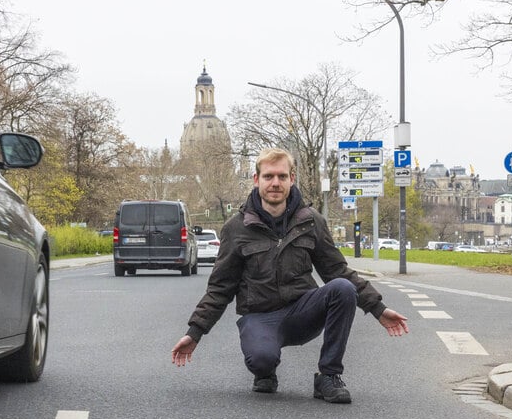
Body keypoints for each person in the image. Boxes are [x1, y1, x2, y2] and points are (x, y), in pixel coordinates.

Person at [170, 147, 409, 404]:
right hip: (260, 317)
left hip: (301, 312)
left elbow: (337, 270)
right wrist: (195, 333)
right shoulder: (236, 228)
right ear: (256, 179)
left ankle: (328, 375)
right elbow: (220, 288)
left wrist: (378, 308)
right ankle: (265, 371)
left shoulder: (311, 221)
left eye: (282, 177)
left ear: (292, 179)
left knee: (341, 287)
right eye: (269, 176)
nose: (275, 183)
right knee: (262, 359)